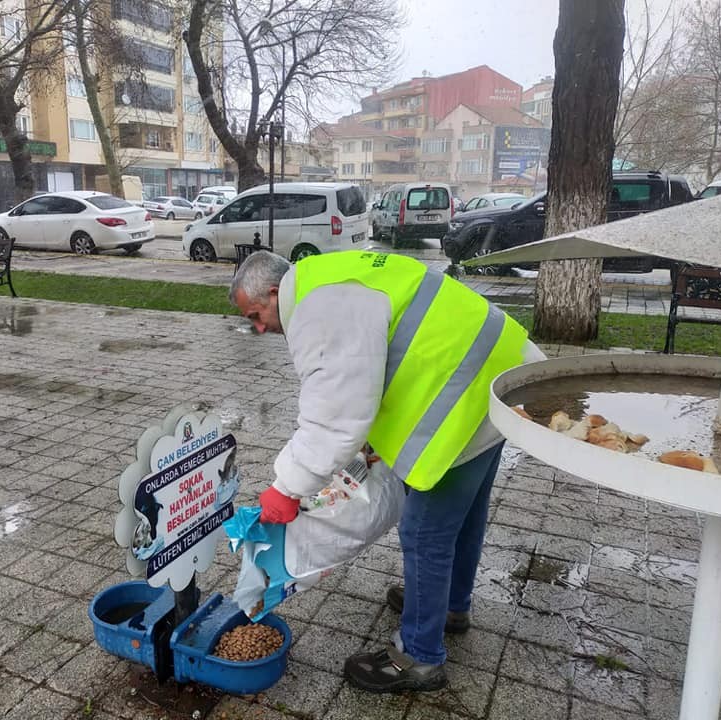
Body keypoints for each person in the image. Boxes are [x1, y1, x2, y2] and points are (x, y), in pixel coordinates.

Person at [229, 249, 545, 693]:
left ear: (275, 291)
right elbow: (378, 364)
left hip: (467, 395)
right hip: (500, 375)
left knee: (424, 532)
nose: (259, 328)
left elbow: (333, 417)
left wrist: (287, 488)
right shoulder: (331, 274)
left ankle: (418, 656)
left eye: (257, 315)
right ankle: (450, 607)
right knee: (465, 514)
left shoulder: (319, 307)